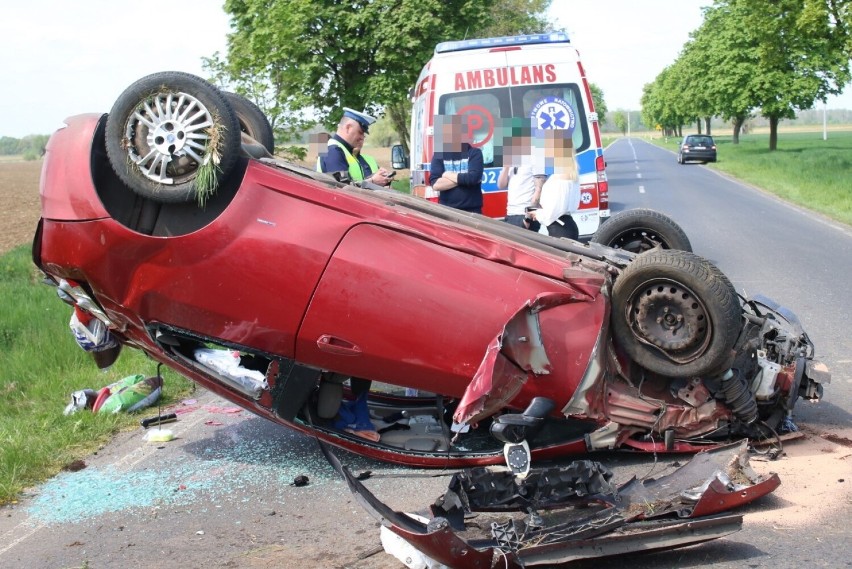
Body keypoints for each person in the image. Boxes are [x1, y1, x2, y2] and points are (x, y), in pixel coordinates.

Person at [318, 108, 394, 186]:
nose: (362, 137)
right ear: (348, 128)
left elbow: (354, 181)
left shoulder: (345, 151)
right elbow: (342, 188)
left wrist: (377, 178)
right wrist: (372, 181)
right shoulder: (333, 150)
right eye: (360, 132)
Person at [528, 129, 581, 240]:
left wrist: (537, 214)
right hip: (567, 227)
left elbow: (552, 212)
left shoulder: (560, 177)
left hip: (560, 230)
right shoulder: (570, 173)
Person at [429, 115, 484, 213]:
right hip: (447, 212)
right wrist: (464, 179)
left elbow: (473, 178)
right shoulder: (438, 155)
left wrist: (446, 175)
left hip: (472, 213)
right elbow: (436, 184)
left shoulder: (475, 153)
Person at [498, 131, 545, 232]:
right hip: (511, 214)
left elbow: (539, 190)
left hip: (525, 215)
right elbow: (501, 185)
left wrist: (527, 219)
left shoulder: (535, 158)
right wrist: (506, 167)